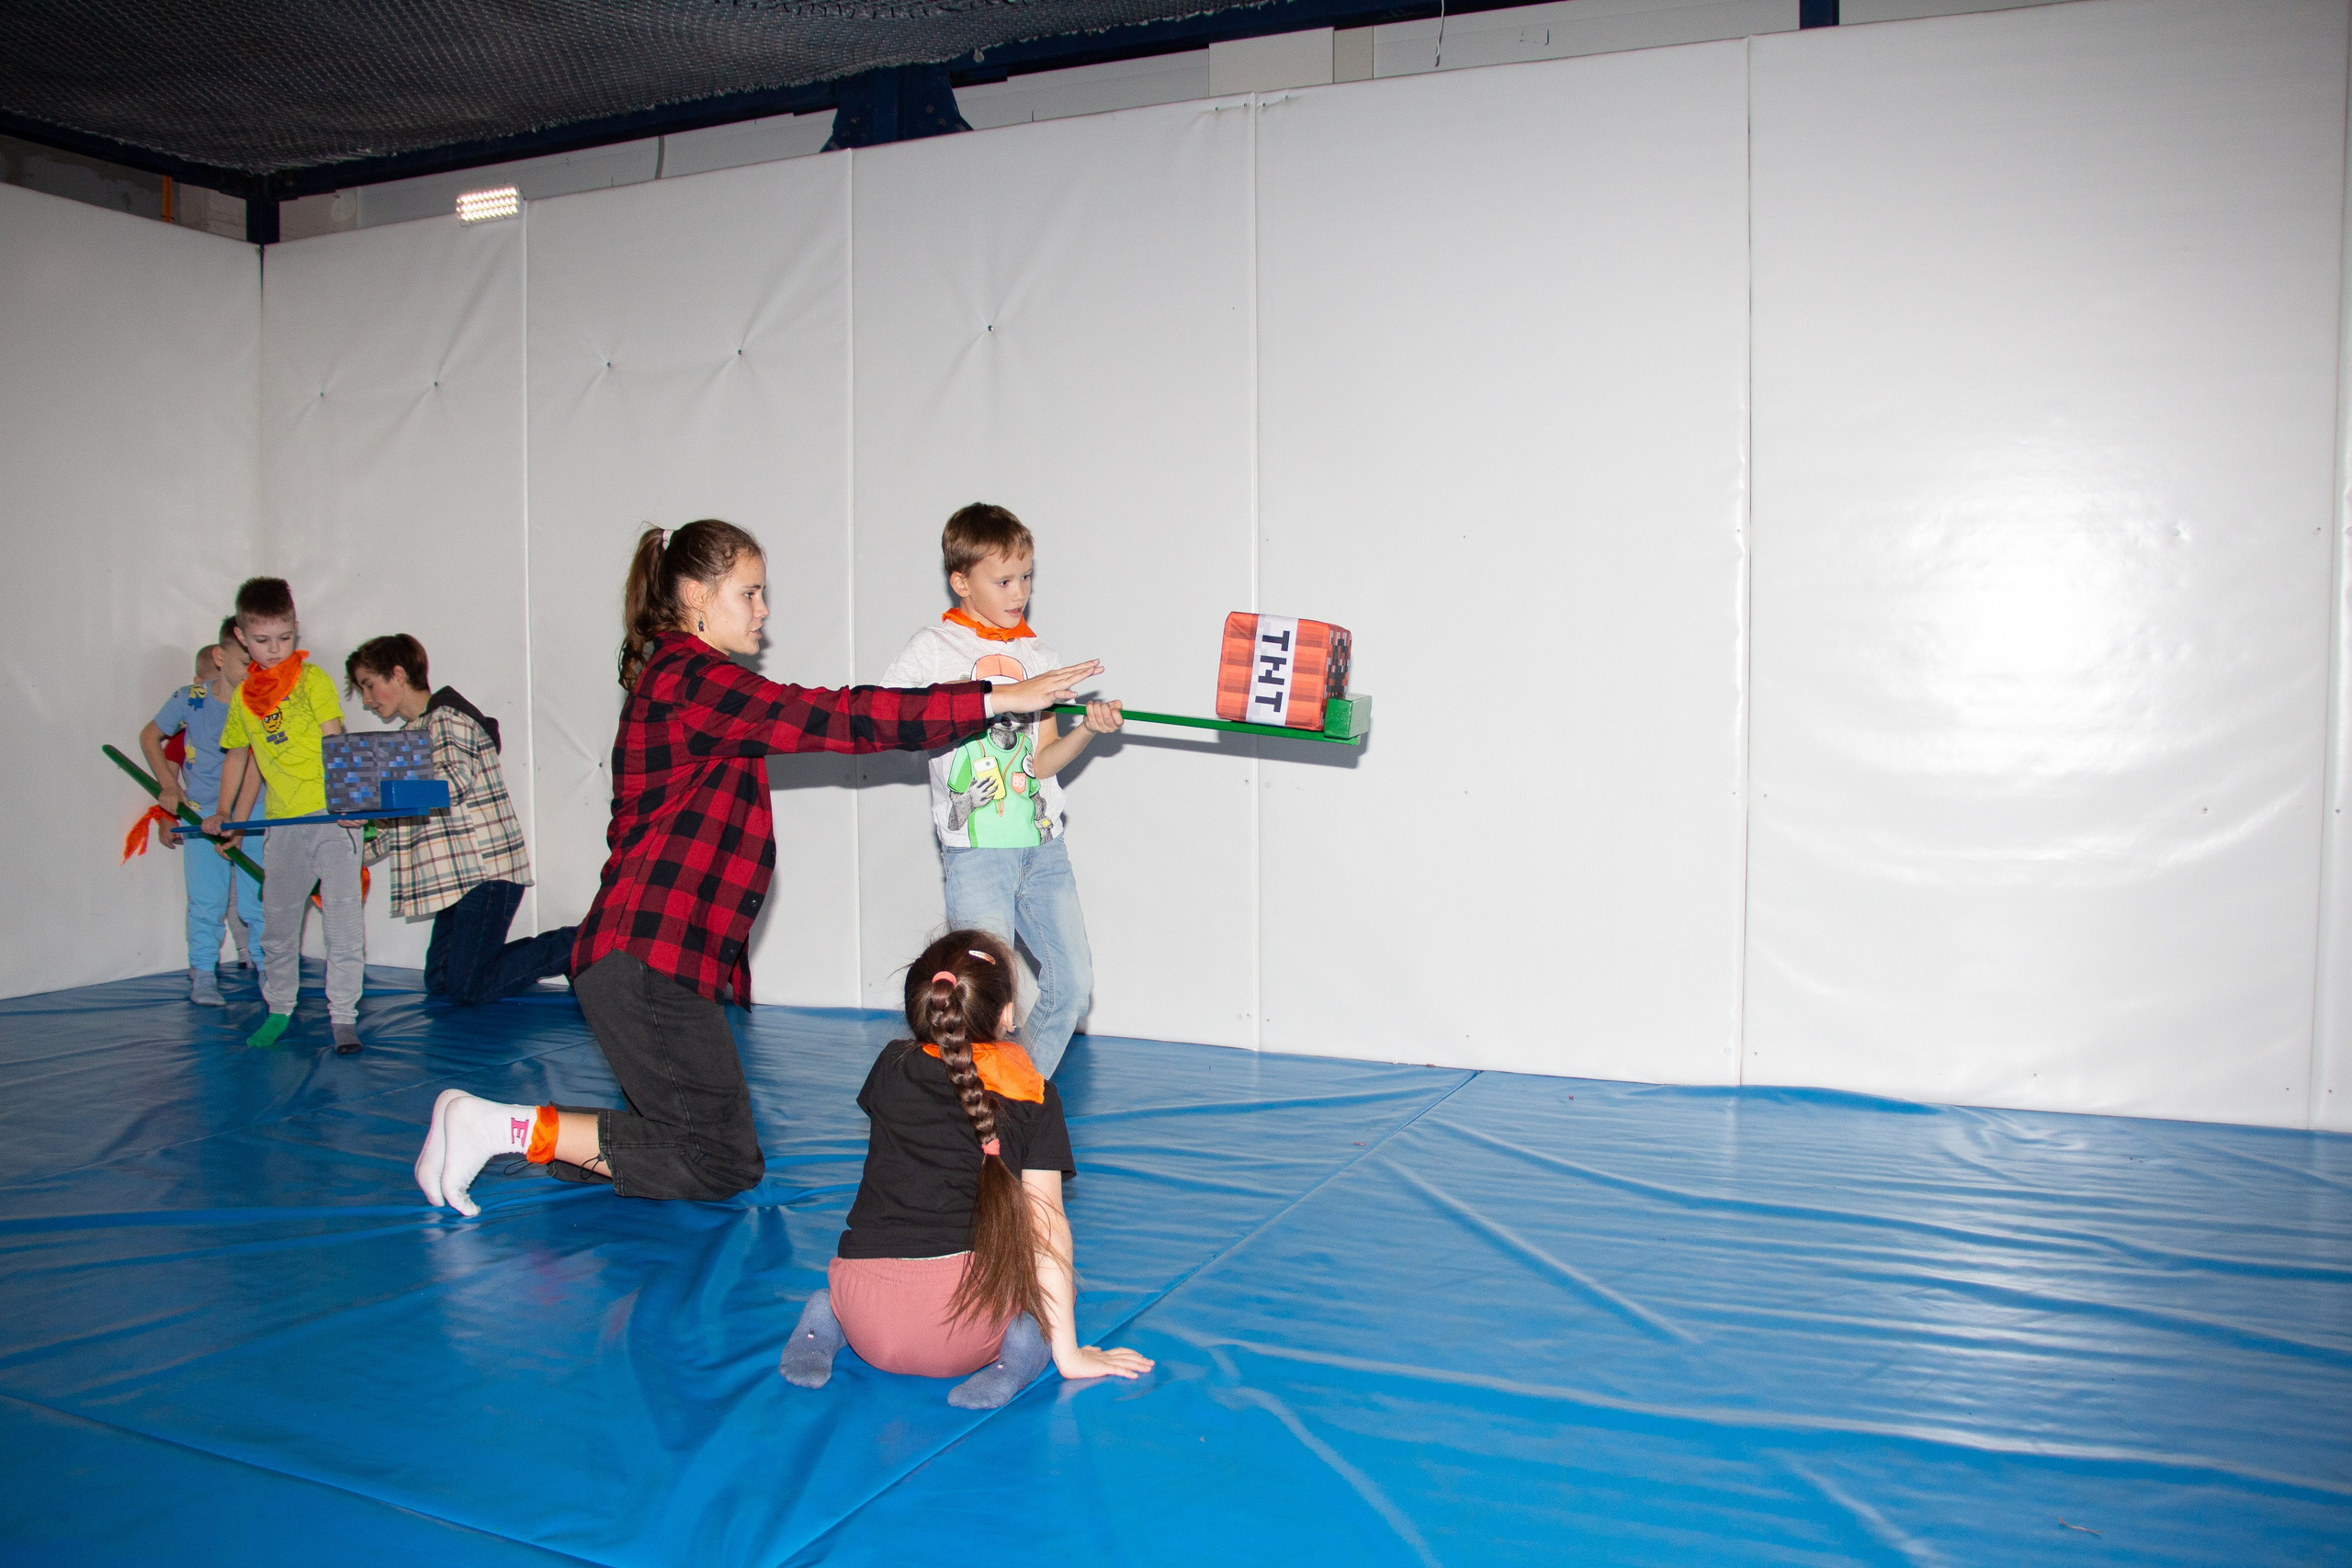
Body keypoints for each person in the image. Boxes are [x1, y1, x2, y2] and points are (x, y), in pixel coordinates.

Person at [411, 518, 1102, 1217]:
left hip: (653, 962)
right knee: (719, 1160)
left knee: (708, 1150)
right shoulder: (690, 678)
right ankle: (496, 1126)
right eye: (750, 593)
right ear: (695, 596)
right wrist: (994, 698)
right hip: (643, 962)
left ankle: (503, 1128)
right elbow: (836, 716)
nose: (764, 610)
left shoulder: (693, 683)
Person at [777, 930, 1154, 1408]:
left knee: (865, 1282)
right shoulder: (1034, 1096)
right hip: (963, 1333)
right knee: (1049, 1297)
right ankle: (1015, 1361)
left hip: (860, 1308)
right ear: (1008, 1014)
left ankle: (824, 1316)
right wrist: (1071, 1355)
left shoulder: (889, 1067)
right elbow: (1048, 1231)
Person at [880, 503, 1125, 1077]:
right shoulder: (934, 648)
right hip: (978, 851)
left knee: (1074, 985)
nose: (1020, 592)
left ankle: (1014, 1097)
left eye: (1028, 576)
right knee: (981, 998)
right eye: (1004, 580)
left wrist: (1087, 727)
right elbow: (887, 714)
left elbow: (1041, 764)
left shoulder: (1037, 655)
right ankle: (979, 1114)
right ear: (960, 581)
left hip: (1042, 846)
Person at [345, 635, 575, 1006]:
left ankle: (576, 944)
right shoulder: (410, 736)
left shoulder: (449, 719)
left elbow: (453, 781)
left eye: (369, 685)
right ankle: (560, 951)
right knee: (440, 982)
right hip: (458, 880)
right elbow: (398, 825)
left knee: (466, 989)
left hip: (485, 876)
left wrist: (378, 800)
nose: (368, 700)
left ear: (398, 674)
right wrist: (351, 842)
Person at [204, 577, 366, 1054]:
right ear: (239, 636)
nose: (274, 650)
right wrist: (222, 813)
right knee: (277, 925)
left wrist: (350, 800)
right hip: (284, 823)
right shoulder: (244, 698)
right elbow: (238, 756)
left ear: (296, 629)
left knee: (342, 924)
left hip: (332, 819)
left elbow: (335, 740)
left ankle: (344, 1017)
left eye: (284, 638)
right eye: (261, 640)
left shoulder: (312, 680)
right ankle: (277, 1008)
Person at [138, 623, 266, 1003]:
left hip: (253, 812)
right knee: (206, 899)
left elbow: (256, 767)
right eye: (246, 662)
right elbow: (150, 737)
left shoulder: (261, 702)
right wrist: (168, 784)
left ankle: (265, 967)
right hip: (199, 814)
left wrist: (238, 820)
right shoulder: (190, 698)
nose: (252, 671)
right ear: (221, 657)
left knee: (255, 898)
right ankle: (204, 972)